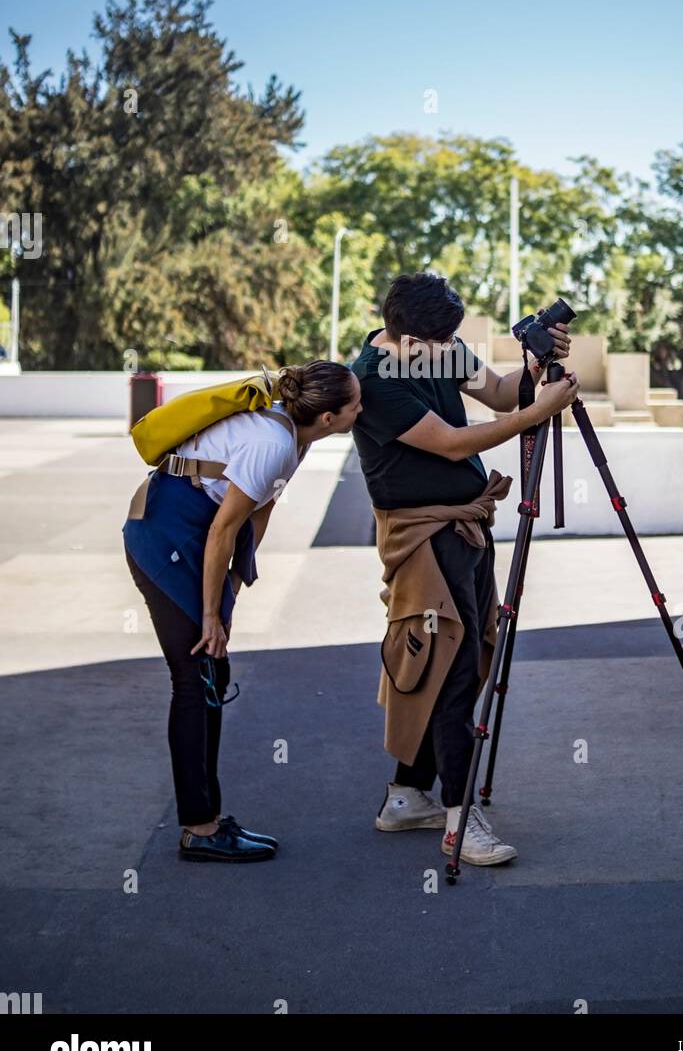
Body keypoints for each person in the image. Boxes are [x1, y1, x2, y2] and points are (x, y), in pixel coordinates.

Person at [351, 273, 578, 865]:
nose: (449, 350)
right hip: (422, 536)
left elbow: (502, 394)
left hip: (464, 524)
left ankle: (406, 795)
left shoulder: (438, 346)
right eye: (439, 341)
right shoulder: (374, 381)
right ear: (406, 335)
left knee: (470, 654)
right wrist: (540, 414)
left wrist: (534, 368)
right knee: (447, 667)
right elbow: (452, 443)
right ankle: (457, 818)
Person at [124, 360, 362, 863]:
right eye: (355, 405)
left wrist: (234, 586)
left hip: (191, 532)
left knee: (211, 671)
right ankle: (200, 827)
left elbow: (261, 511)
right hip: (165, 533)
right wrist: (212, 615)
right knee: (195, 675)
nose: (362, 410)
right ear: (328, 418)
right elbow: (222, 531)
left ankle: (205, 818)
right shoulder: (274, 443)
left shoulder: (296, 439)